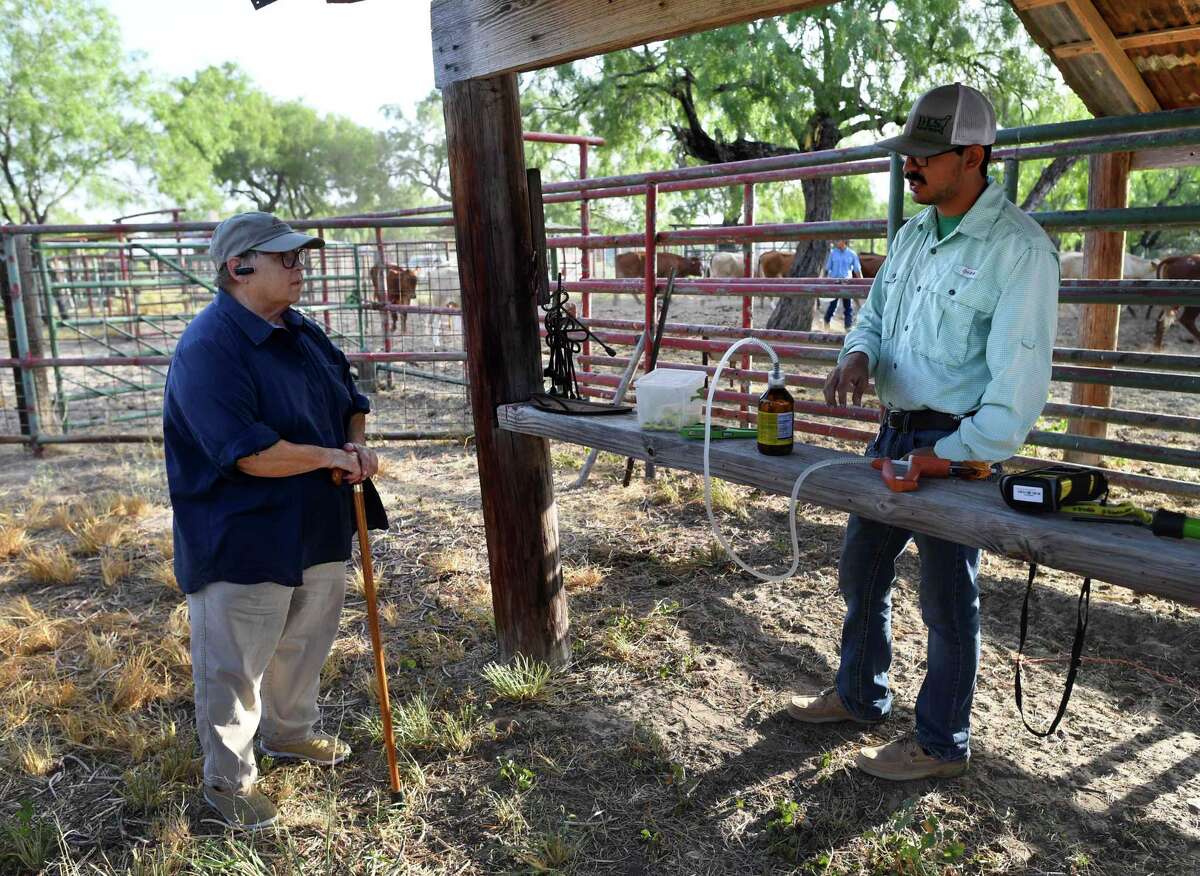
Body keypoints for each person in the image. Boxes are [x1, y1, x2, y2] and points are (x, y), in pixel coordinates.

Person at [791, 83, 1059, 780]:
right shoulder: (912, 235)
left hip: (955, 445)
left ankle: (941, 743)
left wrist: (943, 459)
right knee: (862, 571)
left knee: (945, 597)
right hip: (894, 433)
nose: (909, 168)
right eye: (908, 155)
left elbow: (1016, 395)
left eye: (925, 157)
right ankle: (858, 695)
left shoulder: (1020, 251)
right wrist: (858, 353)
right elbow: (875, 317)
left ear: (972, 157)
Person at [163, 211, 387, 829]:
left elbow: (352, 401)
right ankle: (228, 784)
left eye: (299, 257)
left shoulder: (301, 331)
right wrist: (330, 457)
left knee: (303, 643)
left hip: (316, 522)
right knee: (233, 664)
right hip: (243, 532)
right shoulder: (208, 347)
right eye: (284, 258)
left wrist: (356, 444)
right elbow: (248, 452)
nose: (299, 267)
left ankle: (290, 733)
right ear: (239, 268)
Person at [822, 240, 862, 329]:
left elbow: (857, 270)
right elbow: (827, 268)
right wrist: (824, 281)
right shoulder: (832, 253)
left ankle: (848, 327)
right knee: (833, 305)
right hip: (835, 283)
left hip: (847, 283)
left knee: (848, 306)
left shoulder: (852, 254)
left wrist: (862, 282)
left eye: (838, 240)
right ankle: (826, 321)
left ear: (844, 241)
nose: (835, 242)